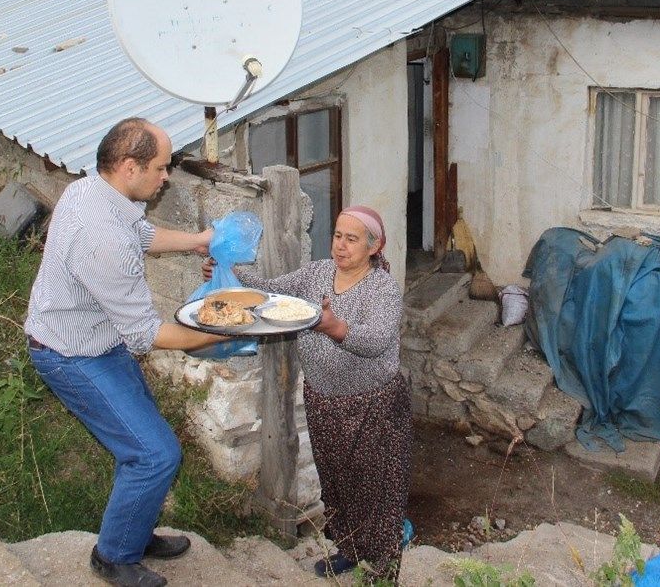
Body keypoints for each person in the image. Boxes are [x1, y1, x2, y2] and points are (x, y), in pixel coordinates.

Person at [25, 117, 223, 587]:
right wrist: (218, 334)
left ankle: (132, 530)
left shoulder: (94, 191)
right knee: (155, 453)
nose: (167, 176)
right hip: (71, 354)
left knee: (139, 442)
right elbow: (144, 334)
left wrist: (199, 241)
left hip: (96, 337)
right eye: (161, 167)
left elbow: (142, 236)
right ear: (130, 167)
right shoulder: (103, 239)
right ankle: (113, 557)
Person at [207, 205, 410, 580]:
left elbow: (378, 340)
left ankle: (383, 568)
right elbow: (272, 291)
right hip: (323, 399)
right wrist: (229, 274)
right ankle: (349, 546)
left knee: (378, 489)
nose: (341, 246)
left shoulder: (382, 288)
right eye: (337, 236)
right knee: (336, 478)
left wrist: (334, 326)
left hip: (374, 404)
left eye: (352, 239)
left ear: (374, 246)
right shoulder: (318, 273)